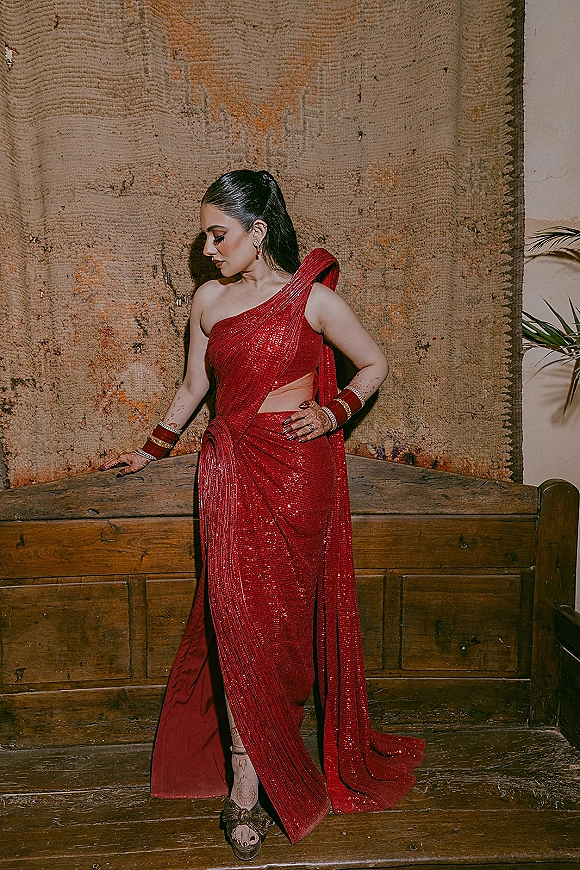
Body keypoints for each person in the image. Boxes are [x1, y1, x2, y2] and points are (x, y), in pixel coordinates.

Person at [102, 169, 425, 861]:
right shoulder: (209, 300)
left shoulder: (311, 298)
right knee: (239, 624)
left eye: (219, 235)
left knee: (280, 633)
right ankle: (245, 790)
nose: (210, 249)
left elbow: (373, 364)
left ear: (258, 231)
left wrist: (334, 410)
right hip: (229, 473)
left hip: (298, 476)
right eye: (206, 237)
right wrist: (149, 450)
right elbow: (194, 386)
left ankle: (274, 772)